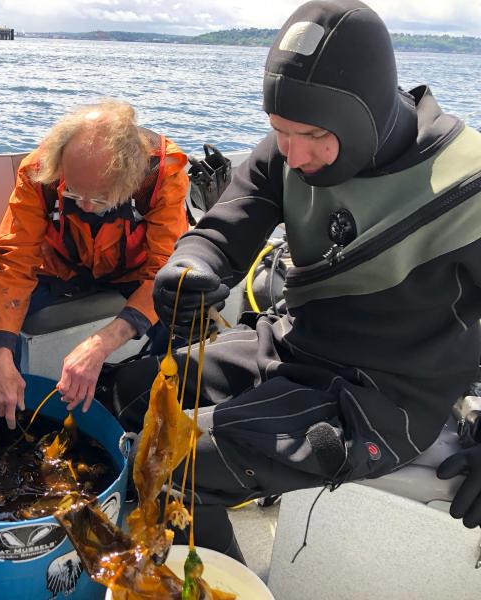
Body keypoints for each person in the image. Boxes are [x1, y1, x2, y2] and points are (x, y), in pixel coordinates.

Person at [119, 0, 481, 560]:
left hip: (382, 397)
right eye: (278, 131)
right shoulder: (288, 147)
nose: (293, 152)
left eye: (312, 133)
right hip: (292, 345)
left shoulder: (468, 186)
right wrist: (188, 269)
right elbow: (223, 228)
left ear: (372, 113)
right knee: (125, 393)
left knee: (173, 458)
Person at [0, 100, 190, 429]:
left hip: (135, 272)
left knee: (184, 315)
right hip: (62, 266)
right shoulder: (41, 170)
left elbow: (165, 270)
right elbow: (14, 261)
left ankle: (144, 411)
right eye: (74, 193)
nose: (87, 205)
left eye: (101, 197)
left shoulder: (163, 175)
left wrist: (101, 344)